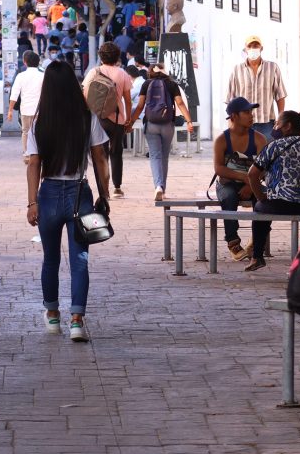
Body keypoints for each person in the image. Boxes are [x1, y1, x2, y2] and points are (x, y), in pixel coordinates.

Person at [25, 61, 111, 341]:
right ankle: (76, 320)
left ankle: (52, 316)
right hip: (79, 193)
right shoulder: (88, 118)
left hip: (48, 193)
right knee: (80, 260)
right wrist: (105, 194)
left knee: (50, 259)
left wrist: (31, 203)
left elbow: (33, 163)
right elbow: (100, 158)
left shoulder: (40, 122)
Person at [243, 111, 300, 272]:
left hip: (282, 204)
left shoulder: (274, 146)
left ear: (287, 126)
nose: (274, 127)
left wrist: (261, 198)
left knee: (260, 209)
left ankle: (257, 256)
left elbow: (252, 174)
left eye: (277, 124)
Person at [127, 63, 193, 200]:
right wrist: (189, 121)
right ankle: (163, 189)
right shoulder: (171, 84)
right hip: (168, 124)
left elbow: (140, 106)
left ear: (151, 72)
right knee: (164, 156)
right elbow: (180, 103)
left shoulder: (147, 84)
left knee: (155, 156)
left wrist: (131, 123)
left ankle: (158, 186)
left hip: (151, 124)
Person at [213, 97, 268, 261]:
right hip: (227, 183)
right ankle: (233, 242)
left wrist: (251, 186)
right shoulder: (222, 140)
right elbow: (219, 169)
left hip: (252, 182)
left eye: (251, 112)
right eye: (246, 112)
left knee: (266, 200)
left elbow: (264, 169)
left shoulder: (259, 139)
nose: (251, 116)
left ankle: (258, 241)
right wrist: (244, 178)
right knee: (229, 197)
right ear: (234, 116)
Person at [82, 41, 134, 198]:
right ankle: (117, 187)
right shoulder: (122, 74)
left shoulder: (94, 72)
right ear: (117, 56)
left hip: (98, 119)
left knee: (100, 155)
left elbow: (85, 95)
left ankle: (102, 188)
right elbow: (128, 99)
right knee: (116, 153)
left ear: (101, 56)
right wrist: (129, 119)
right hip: (117, 119)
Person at [226, 35, 288, 139]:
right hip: (242, 124)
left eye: (256, 45)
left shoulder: (272, 68)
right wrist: (231, 121)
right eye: (250, 46)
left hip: (267, 124)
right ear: (245, 49)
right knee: (244, 154)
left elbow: (280, 95)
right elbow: (230, 98)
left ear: (261, 48)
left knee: (267, 153)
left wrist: (280, 117)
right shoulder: (237, 70)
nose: (253, 48)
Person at [9, 51, 45, 159]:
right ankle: (39, 152)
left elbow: (14, 94)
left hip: (25, 110)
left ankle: (27, 153)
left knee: (25, 131)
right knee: (39, 132)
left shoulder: (21, 76)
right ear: (38, 63)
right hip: (39, 110)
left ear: (25, 62)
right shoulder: (43, 76)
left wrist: (10, 110)